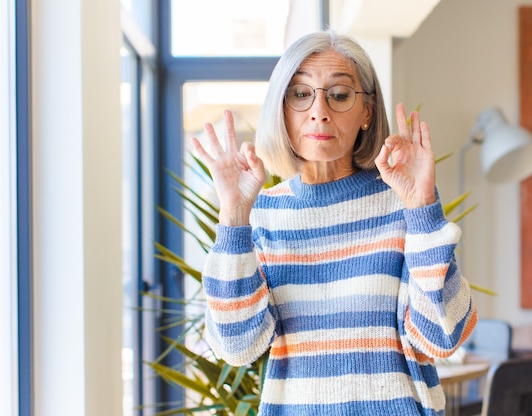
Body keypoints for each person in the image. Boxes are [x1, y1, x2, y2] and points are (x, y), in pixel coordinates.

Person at [190, 29, 477, 416]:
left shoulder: (402, 201)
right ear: (283, 110)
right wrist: (234, 218)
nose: (319, 110)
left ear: (367, 113)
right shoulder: (263, 213)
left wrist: (423, 206)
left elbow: (445, 336)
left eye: (339, 95)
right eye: (300, 94)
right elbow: (236, 347)